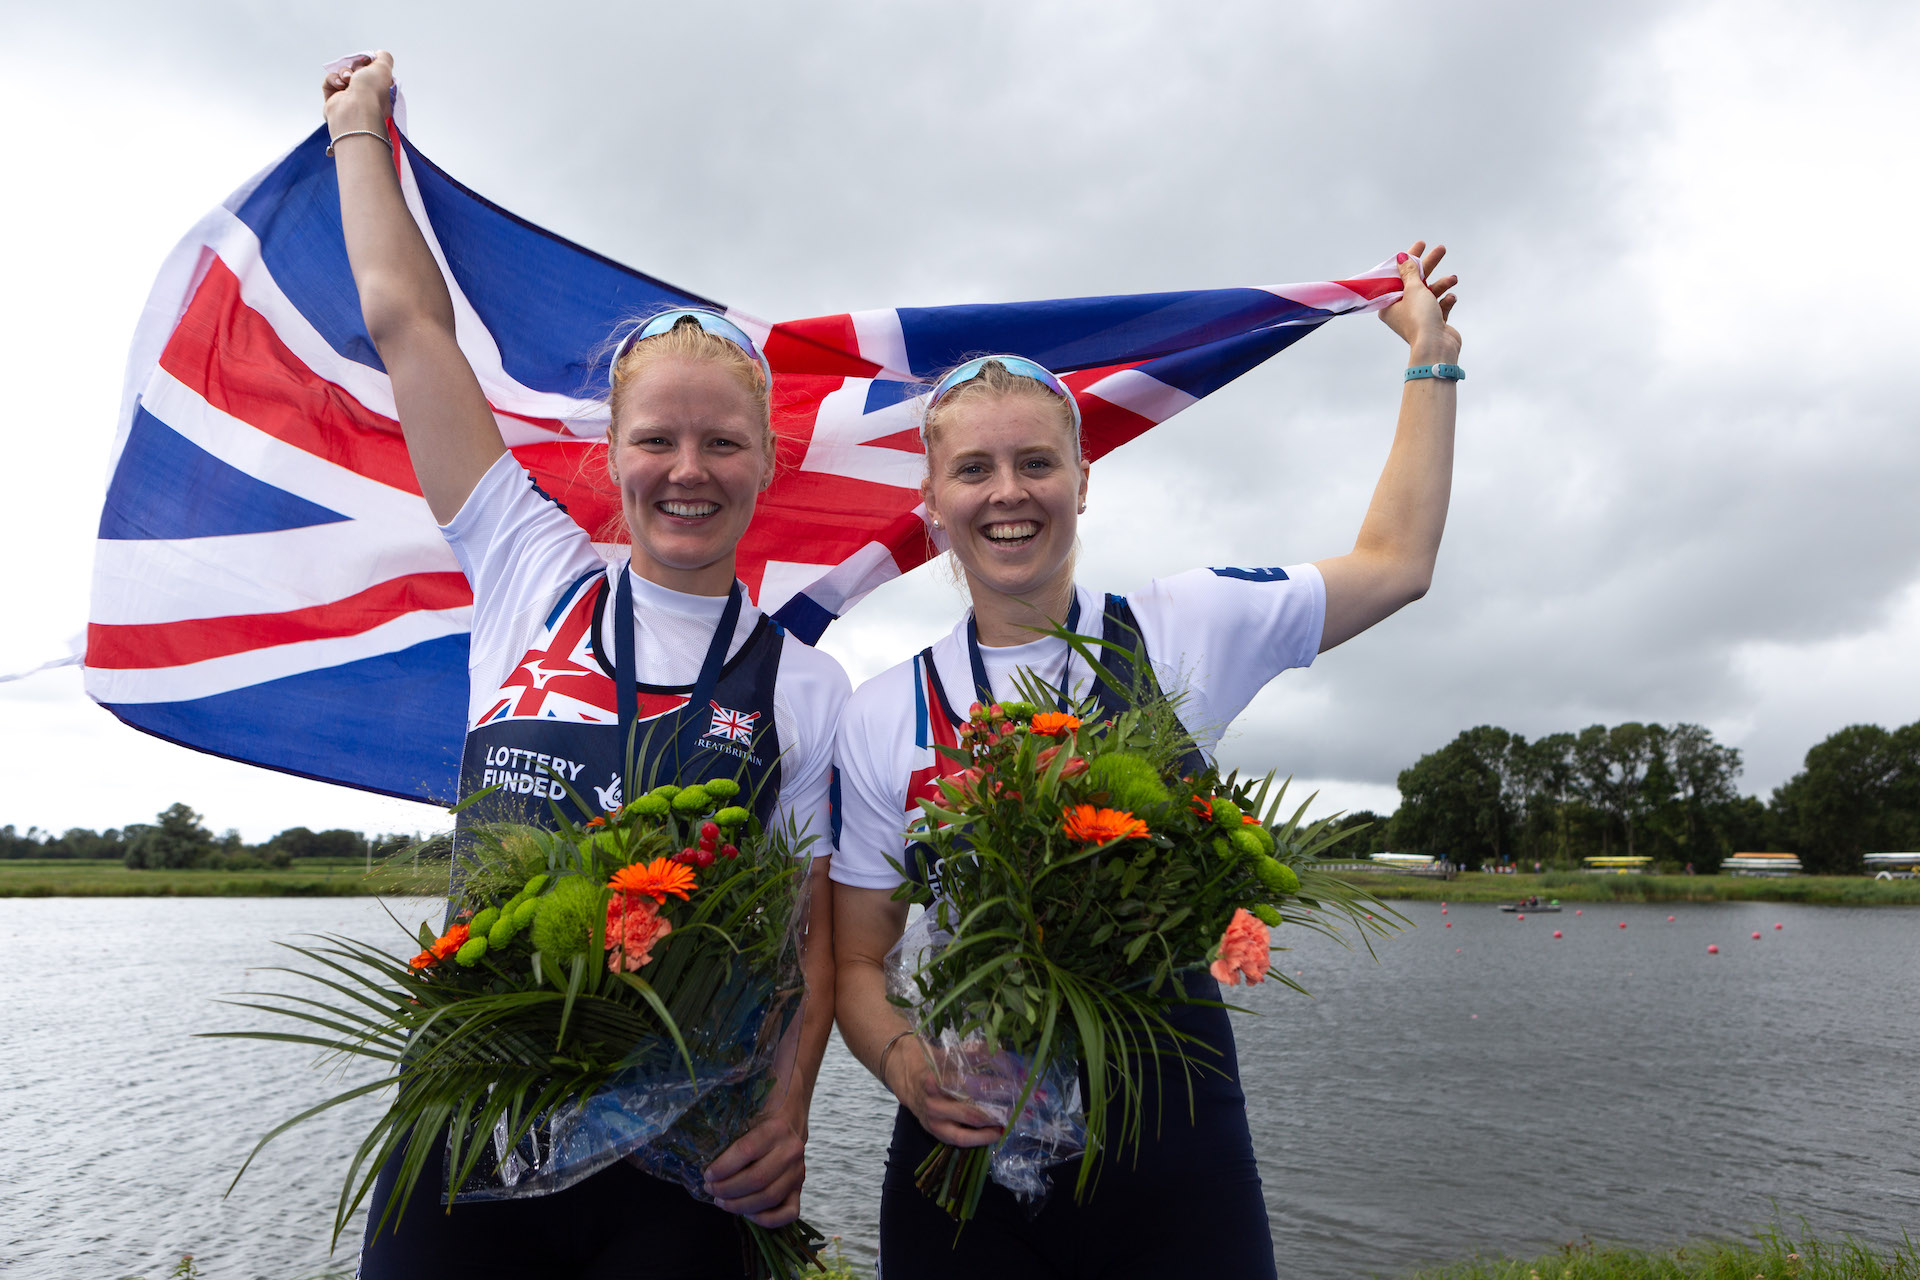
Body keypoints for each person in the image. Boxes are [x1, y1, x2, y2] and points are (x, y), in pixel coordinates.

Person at [831, 244, 1461, 1277]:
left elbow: (1398, 564)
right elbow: (860, 961)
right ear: (931, 500)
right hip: (966, 1145)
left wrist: (1430, 362)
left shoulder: (1185, 628)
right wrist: (907, 1066)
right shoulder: (879, 711)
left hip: (1174, 1144)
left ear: (1084, 479)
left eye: (1037, 462)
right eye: (974, 468)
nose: (1009, 493)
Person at [322, 53, 849, 1279]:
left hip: (681, 1165)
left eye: (722, 442)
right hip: (466, 1129)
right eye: (656, 438)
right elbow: (407, 325)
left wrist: (789, 1109)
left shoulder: (803, 683)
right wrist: (359, 134)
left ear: (765, 464)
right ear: (607, 453)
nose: (688, 469)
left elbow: (806, 944)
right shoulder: (525, 566)